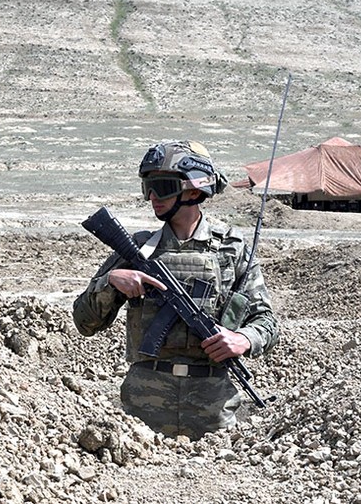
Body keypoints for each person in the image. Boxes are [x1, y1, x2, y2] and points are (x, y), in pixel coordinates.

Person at [72, 140, 279, 439]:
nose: (153, 197)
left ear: (195, 190)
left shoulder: (231, 249)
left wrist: (242, 339)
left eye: (163, 187)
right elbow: (84, 322)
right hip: (142, 419)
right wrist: (110, 282)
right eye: (148, 188)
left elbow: (267, 322)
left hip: (213, 417)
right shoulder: (137, 250)